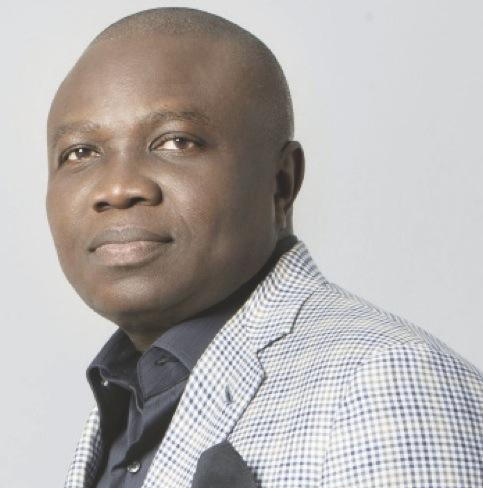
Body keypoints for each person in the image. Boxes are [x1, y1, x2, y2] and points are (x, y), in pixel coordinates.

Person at [46, 7, 482, 488]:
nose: (117, 188)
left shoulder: (386, 383)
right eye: (79, 153)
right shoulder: (126, 403)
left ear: (281, 182)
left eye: (176, 142)